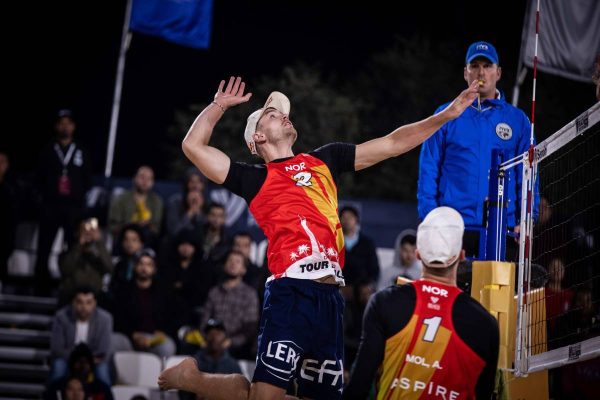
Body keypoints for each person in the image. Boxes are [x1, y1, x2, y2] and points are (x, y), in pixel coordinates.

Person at [158, 76, 478, 399]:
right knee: (264, 397)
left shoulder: (326, 160)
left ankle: (201, 381)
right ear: (257, 138)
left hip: (330, 301)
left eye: (281, 112)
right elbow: (193, 146)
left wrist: (447, 115)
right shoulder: (253, 179)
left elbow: (393, 144)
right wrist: (218, 106)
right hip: (290, 294)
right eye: (272, 114)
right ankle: (194, 380)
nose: (283, 114)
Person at [343, 207, 499, 399]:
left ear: (418, 254)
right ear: (461, 255)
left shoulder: (384, 303)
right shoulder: (485, 324)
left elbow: (359, 385)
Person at [418, 41, 539, 260]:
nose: (480, 72)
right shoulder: (445, 114)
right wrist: (430, 218)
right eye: (474, 66)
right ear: (466, 72)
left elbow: (528, 175)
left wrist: (527, 218)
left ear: (498, 73)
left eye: (487, 65)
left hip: (503, 229)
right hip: (452, 229)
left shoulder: (518, 120)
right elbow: (428, 170)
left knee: (496, 294)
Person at [35, 109, 92, 294]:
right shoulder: (47, 150)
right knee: (44, 247)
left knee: (73, 249)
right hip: (50, 206)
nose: (65, 126)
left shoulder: (81, 150)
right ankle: (40, 287)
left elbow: (87, 179)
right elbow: (39, 178)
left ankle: (69, 289)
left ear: (73, 127)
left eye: (68, 122)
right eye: (61, 122)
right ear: (56, 126)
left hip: (73, 208)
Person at [49, 287, 113, 386]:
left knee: (102, 371)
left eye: (88, 302)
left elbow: (103, 349)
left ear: (94, 303)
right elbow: (57, 348)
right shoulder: (61, 317)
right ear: (73, 303)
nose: (84, 307)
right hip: (68, 359)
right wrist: (78, 360)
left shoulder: (105, 319)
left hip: (93, 362)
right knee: (59, 367)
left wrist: (87, 361)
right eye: (80, 302)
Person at [108, 165, 163, 248]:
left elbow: (156, 228)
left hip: (147, 240)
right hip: (123, 238)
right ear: (134, 178)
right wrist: (134, 226)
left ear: (153, 182)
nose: (145, 181)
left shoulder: (157, 201)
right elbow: (113, 225)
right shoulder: (121, 199)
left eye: (149, 179)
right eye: (142, 177)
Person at [339, 205, 380, 301]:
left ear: (356, 220)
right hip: (340, 288)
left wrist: (368, 286)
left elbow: (374, 269)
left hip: (363, 290)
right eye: (344, 217)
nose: (347, 221)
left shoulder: (367, 243)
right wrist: (340, 286)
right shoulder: (334, 242)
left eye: (350, 217)